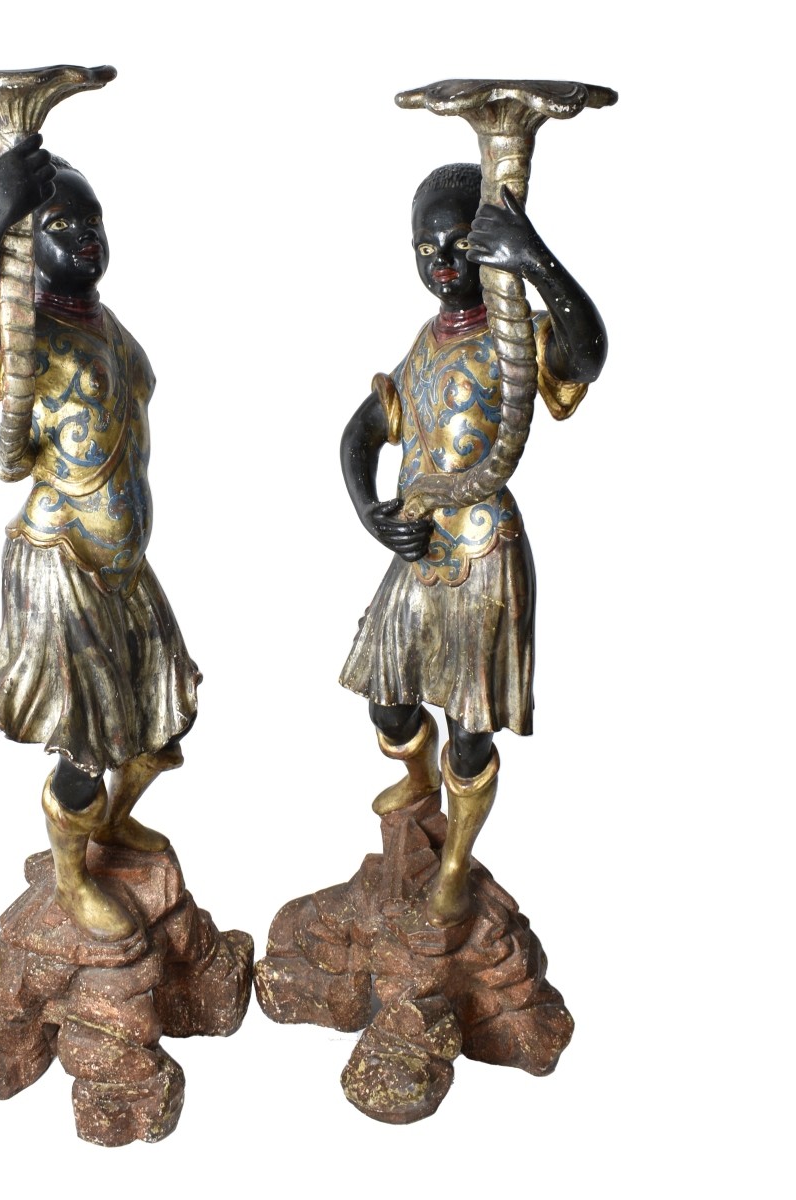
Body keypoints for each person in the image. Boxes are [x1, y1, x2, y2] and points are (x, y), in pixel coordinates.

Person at [0, 135, 199, 941]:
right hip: (64, 561)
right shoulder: (29, 335)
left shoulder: (108, 326)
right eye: (60, 226)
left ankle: (110, 826)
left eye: (93, 222)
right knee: (86, 746)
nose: (84, 237)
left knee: (165, 718)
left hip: (125, 565)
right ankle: (72, 875)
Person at [339, 162, 606, 927]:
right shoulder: (426, 345)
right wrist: (370, 510)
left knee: (469, 727)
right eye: (426, 249)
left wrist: (535, 258)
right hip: (421, 550)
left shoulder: (514, 337)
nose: (443, 262)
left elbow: (587, 354)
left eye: (459, 244)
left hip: (485, 555)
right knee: (388, 702)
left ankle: (455, 860)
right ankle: (417, 781)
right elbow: (361, 433)